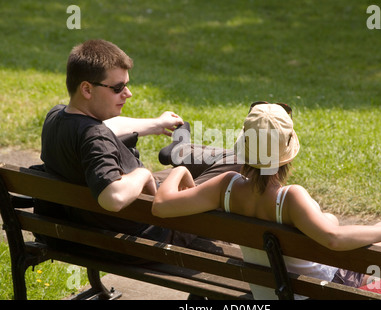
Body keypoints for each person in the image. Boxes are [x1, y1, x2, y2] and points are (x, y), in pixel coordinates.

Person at [152, 102, 381, 299]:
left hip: (265, 290)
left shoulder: (224, 187)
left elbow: (161, 206)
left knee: (337, 224)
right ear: (288, 155)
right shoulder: (291, 197)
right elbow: (334, 239)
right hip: (314, 290)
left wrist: (180, 169)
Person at [39, 39, 240, 246]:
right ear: (87, 90)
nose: (128, 93)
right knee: (237, 164)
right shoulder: (95, 137)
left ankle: (181, 152)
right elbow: (114, 197)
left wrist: (156, 124)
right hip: (151, 229)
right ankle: (182, 154)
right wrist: (142, 175)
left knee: (194, 167)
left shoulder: (58, 117)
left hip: (94, 228)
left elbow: (108, 127)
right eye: (118, 88)